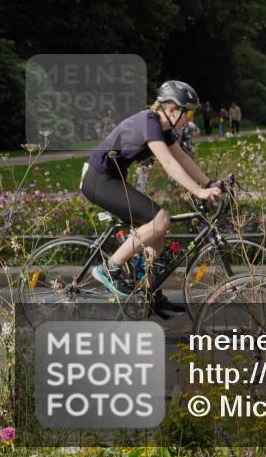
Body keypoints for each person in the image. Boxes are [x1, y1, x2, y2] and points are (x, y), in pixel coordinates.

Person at [82, 80, 222, 310]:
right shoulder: (150, 123)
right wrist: (198, 191)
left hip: (111, 179)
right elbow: (168, 162)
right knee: (160, 219)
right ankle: (109, 268)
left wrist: (209, 183)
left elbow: (182, 158)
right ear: (172, 109)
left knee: (157, 228)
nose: (191, 119)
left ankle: (150, 294)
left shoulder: (162, 128)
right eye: (188, 113)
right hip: (99, 180)